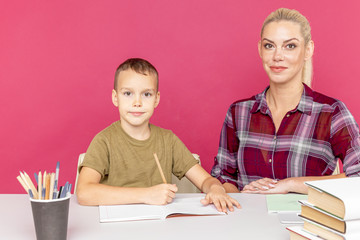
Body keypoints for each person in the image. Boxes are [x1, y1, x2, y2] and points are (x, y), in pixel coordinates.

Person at [211, 8, 360, 195]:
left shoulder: (331, 112)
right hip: (246, 222)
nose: (277, 56)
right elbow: (223, 177)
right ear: (260, 49)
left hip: (306, 222)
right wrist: (239, 200)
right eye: (269, 46)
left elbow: (358, 176)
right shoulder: (238, 112)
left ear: (308, 50)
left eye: (290, 46)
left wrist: (289, 185)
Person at [76, 58, 240, 212]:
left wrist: (216, 188)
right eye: (128, 93)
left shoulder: (168, 140)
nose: (137, 102)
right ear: (115, 97)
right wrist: (145, 195)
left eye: (146, 94)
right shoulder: (104, 141)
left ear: (156, 99)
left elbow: (205, 180)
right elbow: (83, 192)